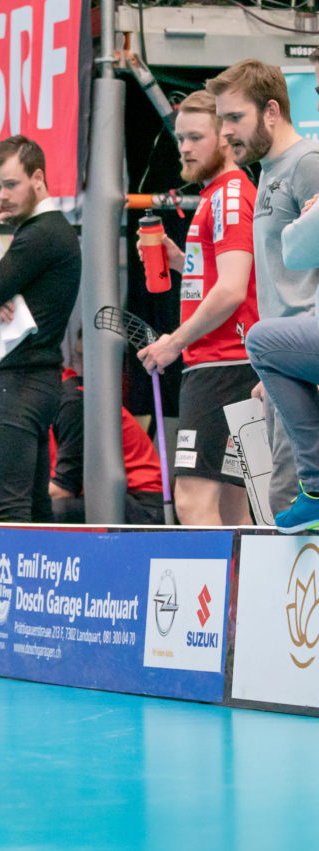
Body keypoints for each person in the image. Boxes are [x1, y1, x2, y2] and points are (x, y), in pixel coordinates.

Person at [134, 90, 258, 526]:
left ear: (224, 138)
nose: (183, 147)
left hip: (221, 366)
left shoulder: (227, 196)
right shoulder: (216, 196)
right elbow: (228, 274)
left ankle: (206, 597)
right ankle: (241, 595)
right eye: (179, 137)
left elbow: (231, 290)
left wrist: (172, 343)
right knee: (232, 506)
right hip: (229, 365)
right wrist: (178, 260)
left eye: (195, 137)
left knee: (191, 500)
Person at [209, 59, 319, 519]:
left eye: (235, 118)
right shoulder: (271, 171)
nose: (225, 133)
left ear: (271, 111)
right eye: (222, 120)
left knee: (291, 505)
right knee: (282, 506)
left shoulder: (307, 164)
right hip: (289, 360)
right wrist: (272, 364)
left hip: (307, 363)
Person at [0, 135, 81, 522]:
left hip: (19, 385)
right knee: (33, 506)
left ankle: (11, 585)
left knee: (13, 509)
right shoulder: (49, 233)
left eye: (11, 184)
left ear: (38, 178)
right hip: (36, 381)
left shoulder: (40, 234)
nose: (1, 197)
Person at [0, 369, 165, 525]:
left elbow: (64, 488)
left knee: (40, 513)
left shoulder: (72, 402)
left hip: (139, 505)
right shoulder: (42, 406)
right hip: (94, 498)